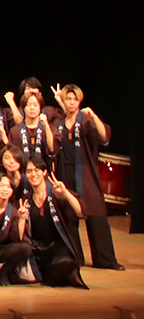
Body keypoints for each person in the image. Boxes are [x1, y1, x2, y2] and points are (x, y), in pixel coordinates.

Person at [52, 83, 121, 269]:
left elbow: (104, 137)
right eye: (68, 99)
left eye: (75, 99)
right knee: (67, 214)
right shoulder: (59, 122)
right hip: (64, 172)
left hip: (84, 172)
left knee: (95, 211)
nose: (72, 102)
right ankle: (75, 258)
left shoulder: (86, 120)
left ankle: (105, 259)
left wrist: (95, 117)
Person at [22, 158, 88, 288]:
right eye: (29, 171)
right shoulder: (26, 200)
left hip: (58, 246)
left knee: (62, 263)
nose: (33, 174)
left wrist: (65, 193)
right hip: (37, 247)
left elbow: (80, 212)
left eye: (37, 170)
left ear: (44, 172)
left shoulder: (57, 193)